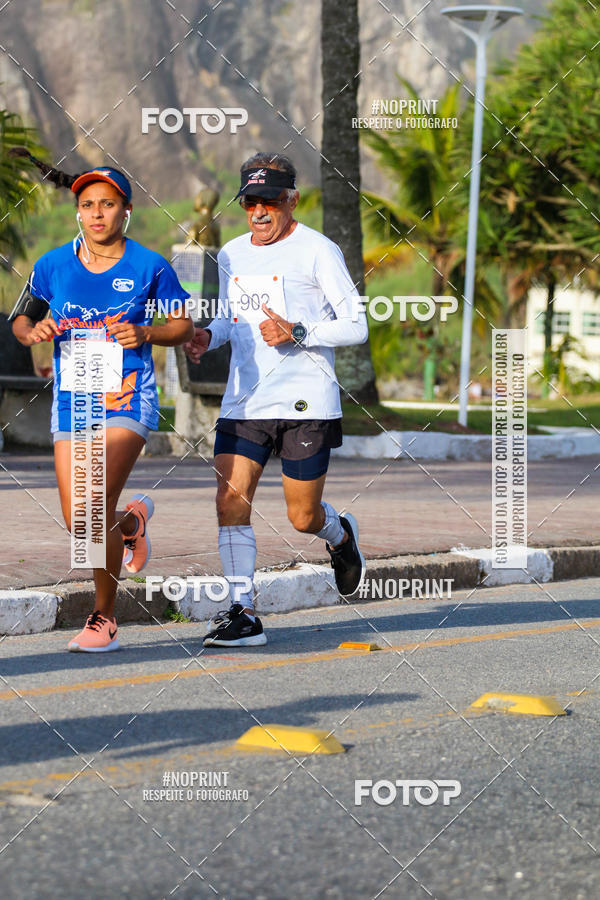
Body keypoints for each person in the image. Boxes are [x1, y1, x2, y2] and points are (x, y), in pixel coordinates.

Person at [185, 152, 368, 647]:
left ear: (292, 200)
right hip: (245, 402)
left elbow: (357, 323)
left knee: (302, 516)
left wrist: (300, 329)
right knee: (229, 500)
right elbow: (230, 319)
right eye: (250, 202)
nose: (259, 212)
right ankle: (241, 611)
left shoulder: (318, 250)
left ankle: (341, 536)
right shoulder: (231, 254)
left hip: (305, 401)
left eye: (269, 202)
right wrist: (209, 336)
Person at [10, 162, 193, 652]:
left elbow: (184, 326)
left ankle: (104, 617)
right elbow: (21, 322)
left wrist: (148, 332)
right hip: (72, 400)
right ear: (78, 212)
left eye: (107, 204)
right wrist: (36, 331)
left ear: (125, 211)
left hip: (126, 396)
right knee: (80, 520)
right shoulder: (51, 265)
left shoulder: (148, 265)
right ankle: (131, 522)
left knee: (91, 510)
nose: (96, 213)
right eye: (87, 204)